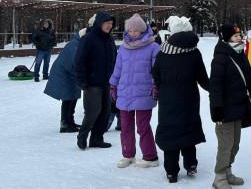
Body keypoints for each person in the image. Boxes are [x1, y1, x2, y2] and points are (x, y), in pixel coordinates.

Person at [153, 16, 210, 183]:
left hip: (168, 98)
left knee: (170, 131)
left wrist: (162, 86)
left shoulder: (163, 51)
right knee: (188, 129)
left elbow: (156, 73)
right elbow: (203, 78)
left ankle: (171, 171)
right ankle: (191, 164)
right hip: (189, 98)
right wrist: (217, 89)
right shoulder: (194, 52)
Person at [210, 24, 251, 189]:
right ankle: (219, 177)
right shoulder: (220, 58)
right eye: (235, 36)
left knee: (235, 144)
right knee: (225, 144)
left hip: (238, 107)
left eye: (240, 36)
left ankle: (227, 171)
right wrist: (217, 110)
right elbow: (215, 87)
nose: (240, 38)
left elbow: (249, 80)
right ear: (227, 39)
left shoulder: (241, 55)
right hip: (224, 110)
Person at [109, 14, 160, 168]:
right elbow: (118, 68)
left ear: (143, 31)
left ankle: (150, 157)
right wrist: (113, 84)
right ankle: (128, 155)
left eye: (136, 31)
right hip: (125, 91)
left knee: (143, 126)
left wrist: (155, 85)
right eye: (130, 31)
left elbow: (157, 70)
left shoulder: (153, 47)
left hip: (144, 91)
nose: (132, 33)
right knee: (125, 126)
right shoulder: (123, 48)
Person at [44, 15, 95, 133]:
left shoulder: (80, 42)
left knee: (73, 96)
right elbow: (74, 64)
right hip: (64, 73)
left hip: (69, 73)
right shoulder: (76, 45)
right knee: (68, 97)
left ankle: (69, 121)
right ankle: (65, 124)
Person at [75, 11, 117, 150]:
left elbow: (114, 59)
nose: (109, 26)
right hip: (92, 83)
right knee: (93, 112)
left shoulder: (110, 39)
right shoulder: (88, 38)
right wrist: (82, 81)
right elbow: (80, 60)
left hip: (107, 81)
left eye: (111, 24)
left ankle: (97, 139)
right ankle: (82, 136)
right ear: (100, 22)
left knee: (105, 113)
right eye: (107, 23)